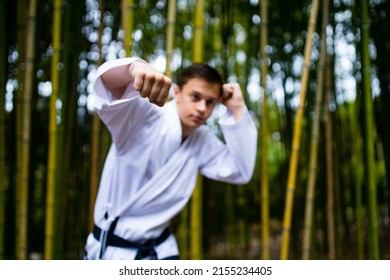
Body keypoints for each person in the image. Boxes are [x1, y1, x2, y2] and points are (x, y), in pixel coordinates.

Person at [84, 57, 258, 260]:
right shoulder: (144, 115)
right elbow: (107, 87)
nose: (202, 108)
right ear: (177, 92)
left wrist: (237, 107)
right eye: (195, 97)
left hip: (161, 251)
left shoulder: (202, 141)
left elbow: (240, 171)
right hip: (114, 250)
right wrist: (133, 67)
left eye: (210, 102)